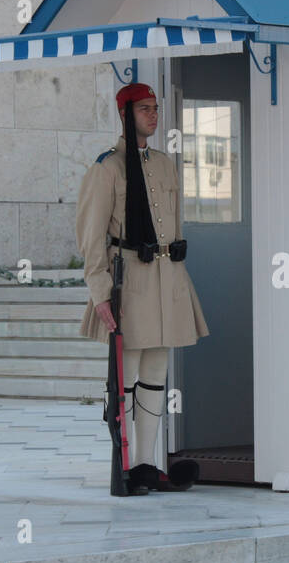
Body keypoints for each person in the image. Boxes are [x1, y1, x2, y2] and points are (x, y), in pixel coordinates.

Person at [74, 82, 209, 495]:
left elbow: (174, 227)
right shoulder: (107, 168)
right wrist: (99, 291)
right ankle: (126, 466)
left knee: (155, 373)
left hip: (166, 276)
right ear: (125, 114)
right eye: (144, 109)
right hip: (129, 279)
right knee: (127, 375)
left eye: (155, 108)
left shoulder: (166, 165)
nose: (153, 115)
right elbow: (91, 235)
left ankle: (149, 463)